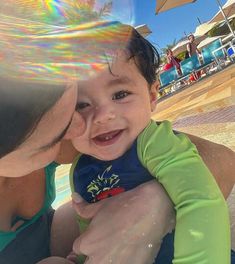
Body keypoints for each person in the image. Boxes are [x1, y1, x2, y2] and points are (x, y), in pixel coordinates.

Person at [0, 77, 234, 264]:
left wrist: (156, 202)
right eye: (55, 134)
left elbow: (223, 161)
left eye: (75, 107)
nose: (83, 125)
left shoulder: (48, 131)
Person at [68, 25, 230, 264]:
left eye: (120, 94)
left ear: (152, 96)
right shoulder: (79, 168)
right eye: (81, 105)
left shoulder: (154, 142)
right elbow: (94, 229)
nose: (102, 115)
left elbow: (200, 201)